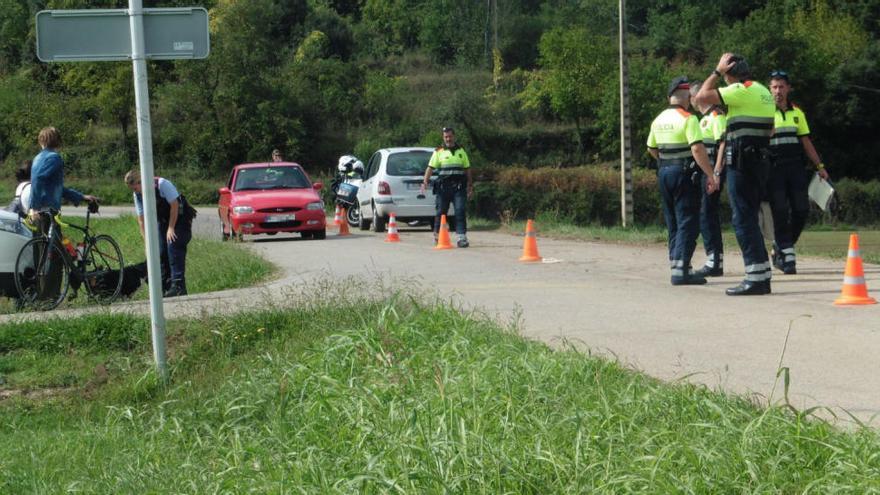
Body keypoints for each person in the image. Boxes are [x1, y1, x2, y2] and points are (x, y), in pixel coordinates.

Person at [695, 53, 775, 295]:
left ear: (731, 74)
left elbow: (701, 97)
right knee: (749, 216)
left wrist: (716, 71)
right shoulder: (763, 91)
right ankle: (761, 273)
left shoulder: (741, 90)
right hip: (760, 159)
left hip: (743, 161)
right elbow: (770, 130)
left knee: (742, 218)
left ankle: (755, 277)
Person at [647, 76, 719, 285]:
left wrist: (666, 161)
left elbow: (652, 148)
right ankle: (681, 270)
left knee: (673, 221)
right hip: (684, 173)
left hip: (664, 172)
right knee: (688, 220)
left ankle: (677, 263)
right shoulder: (689, 118)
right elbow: (697, 149)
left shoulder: (658, 119)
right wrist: (710, 173)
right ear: (687, 96)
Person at [767, 70, 829, 275]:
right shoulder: (764, 113)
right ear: (769, 89)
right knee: (780, 211)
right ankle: (788, 254)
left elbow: (806, 142)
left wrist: (820, 167)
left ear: (788, 88)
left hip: (795, 168)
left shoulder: (797, 113)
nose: (778, 91)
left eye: (782, 86)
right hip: (773, 169)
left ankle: (781, 245)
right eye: (774, 87)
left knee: (801, 210)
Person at [124, 170, 197, 297]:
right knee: (161, 251)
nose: (135, 192)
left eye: (135, 188)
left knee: (173, 243)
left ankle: (179, 286)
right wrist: (147, 242)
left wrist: (171, 228)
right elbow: (141, 220)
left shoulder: (162, 184)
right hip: (163, 220)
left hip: (180, 218)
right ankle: (166, 286)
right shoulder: (137, 196)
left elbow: (175, 205)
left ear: (141, 181)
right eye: (132, 190)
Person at [688, 81, 727, 277]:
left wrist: (717, 172)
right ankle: (714, 258)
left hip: (712, 171)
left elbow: (723, 144)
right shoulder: (702, 119)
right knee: (705, 213)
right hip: (706, 172)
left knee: (707, 213)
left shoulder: (716, 115)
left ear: (697, 98)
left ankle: (715, 260)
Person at [28, 127, 97, 226]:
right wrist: (34, 208)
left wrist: (80, 197)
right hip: (49, 210)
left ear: (41, 141)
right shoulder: (54, 158)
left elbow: (55, 187)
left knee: (41, 240)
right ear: (58, 141)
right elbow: (39, 179)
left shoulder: (37, 158)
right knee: (54, 240)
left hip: (39, 210)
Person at [420, 127, 473, 248]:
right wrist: (425, 182)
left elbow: (467, 169)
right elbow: (430, 168)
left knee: (460, 210)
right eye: (445, 137)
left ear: (454, 136)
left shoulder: (461, 151)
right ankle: (438, 236)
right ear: (443, 138)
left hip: (459, 187)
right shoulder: (438, 151)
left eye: (450, 136)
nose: (448, 139)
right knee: (441, 212)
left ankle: (461, 238)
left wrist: (470, 185)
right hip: (443, 188)